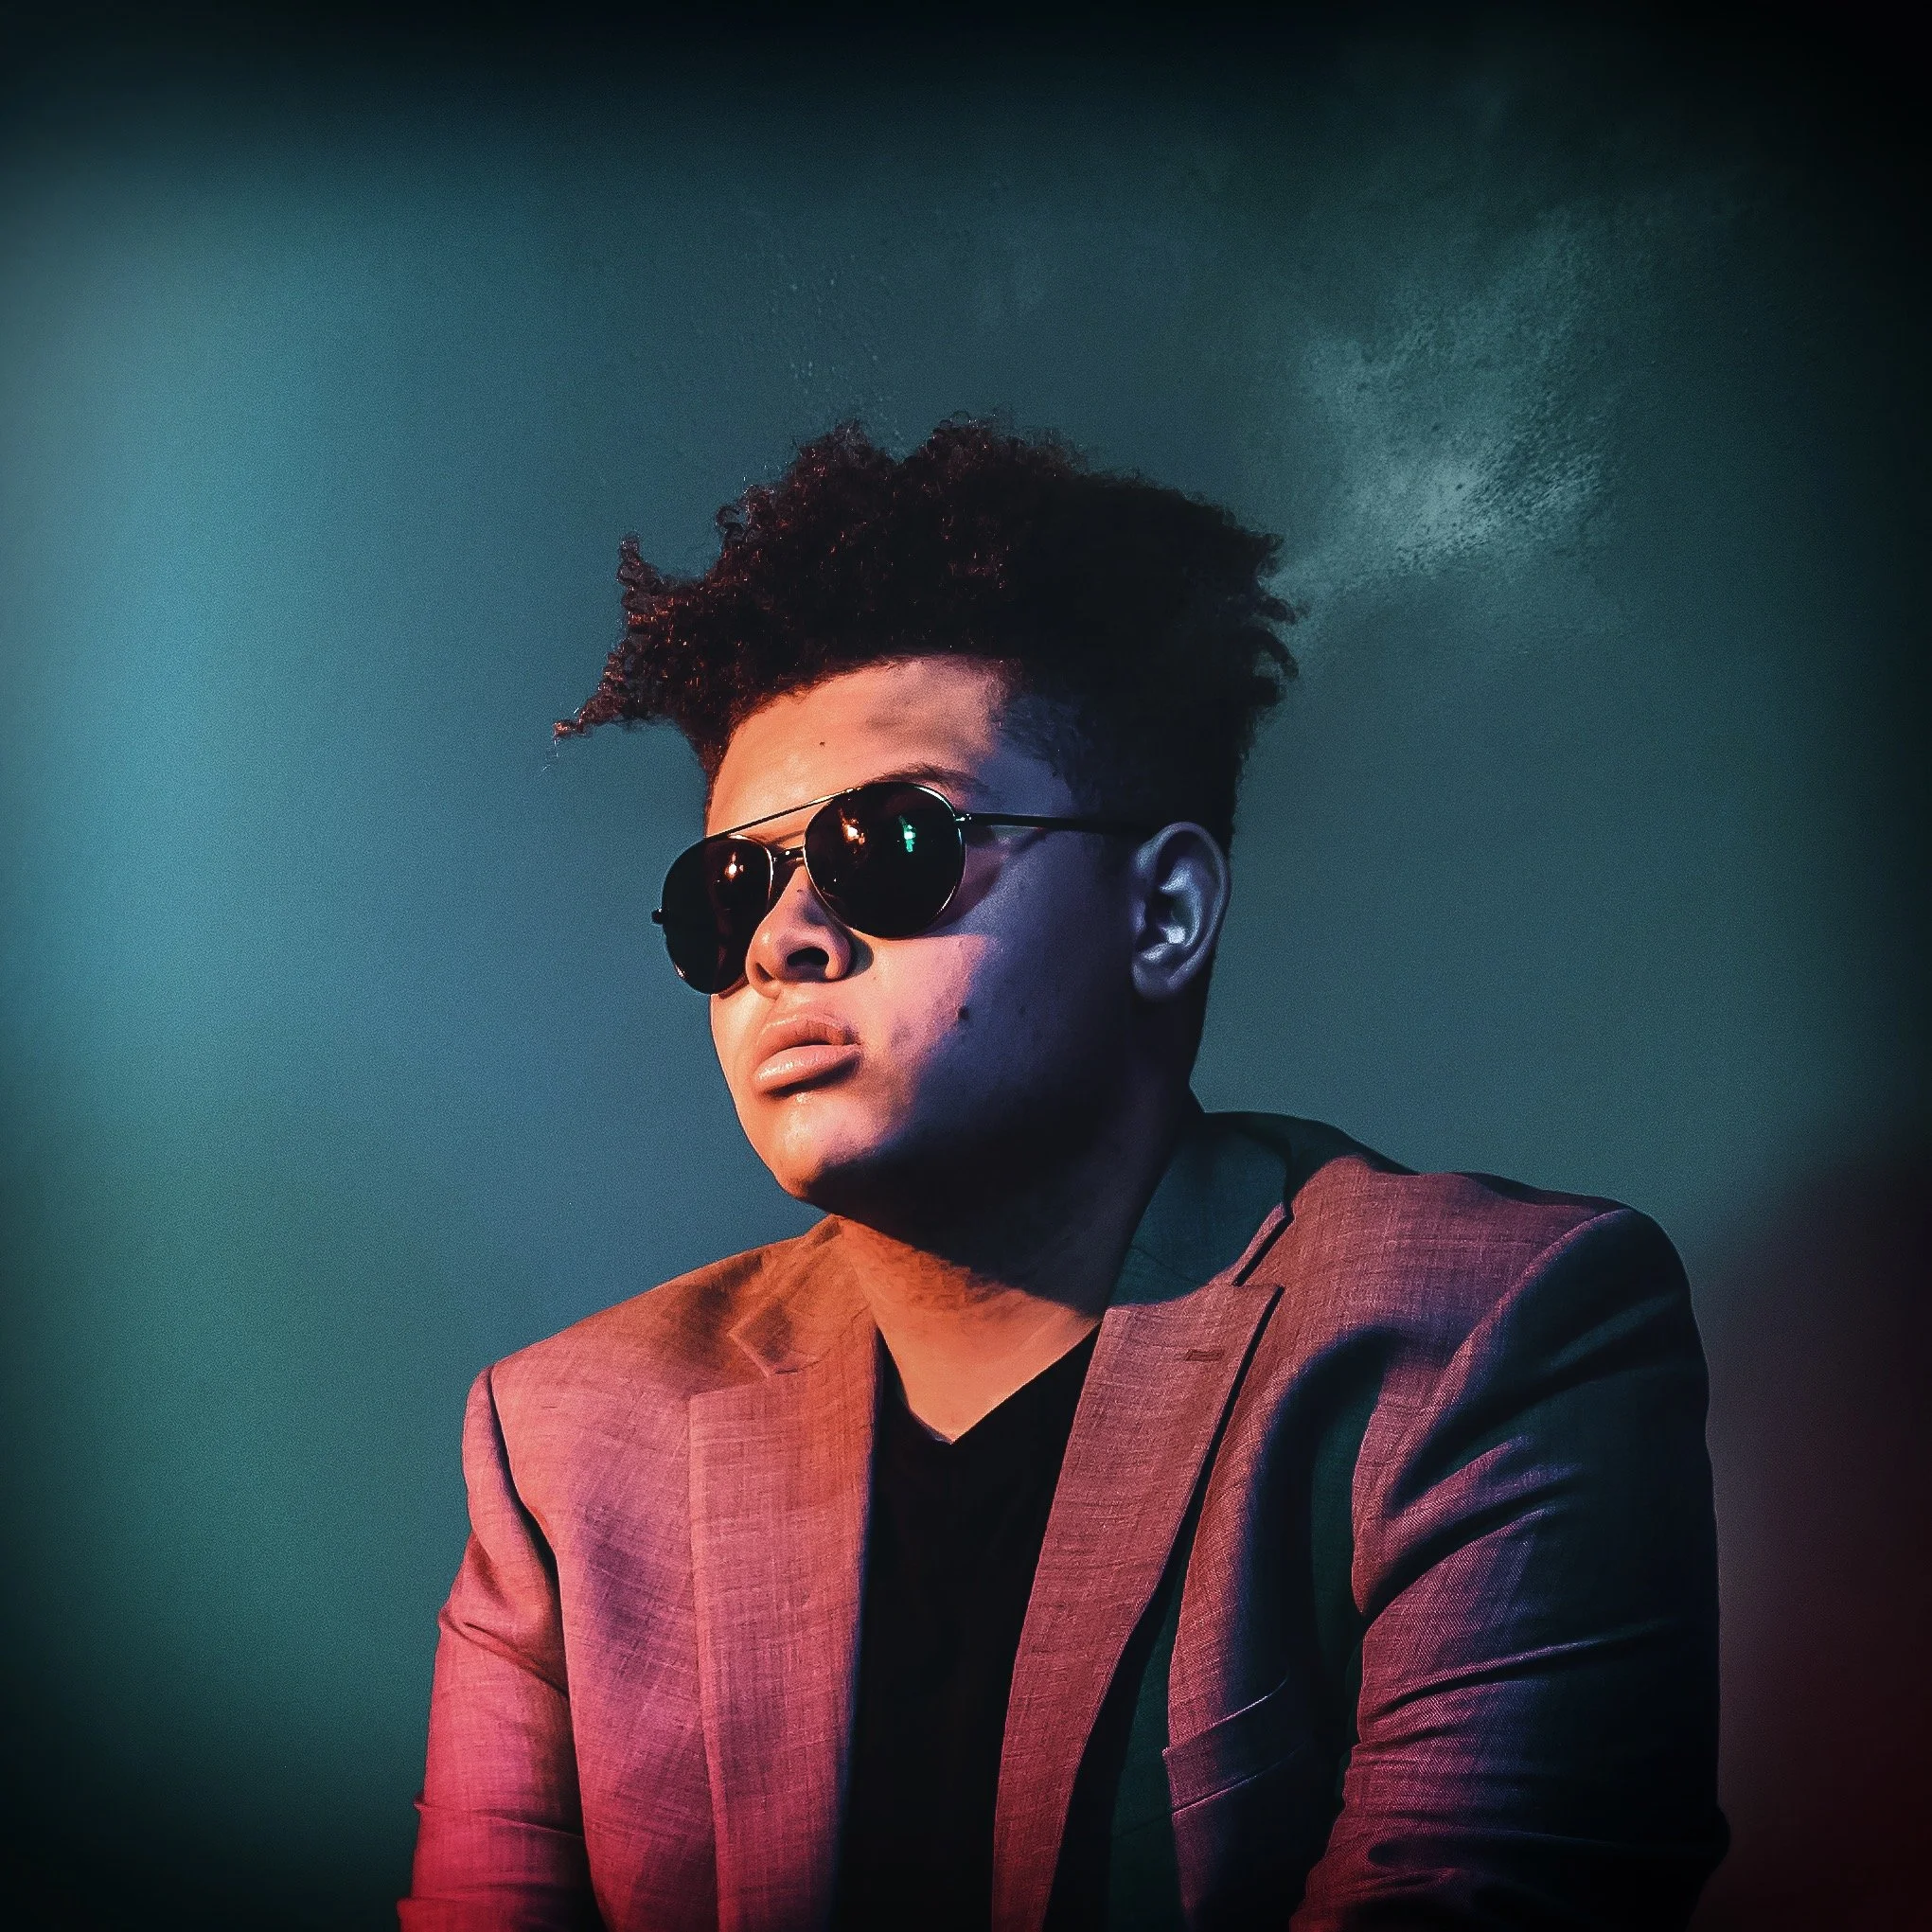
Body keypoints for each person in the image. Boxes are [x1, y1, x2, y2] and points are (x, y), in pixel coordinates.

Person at [401, 421, 1727, 1932]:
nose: (782, 942)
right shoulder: (562, 1448)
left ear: (1162, 914)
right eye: (728, 892)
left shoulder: (1487, 1337)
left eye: (890, 844)